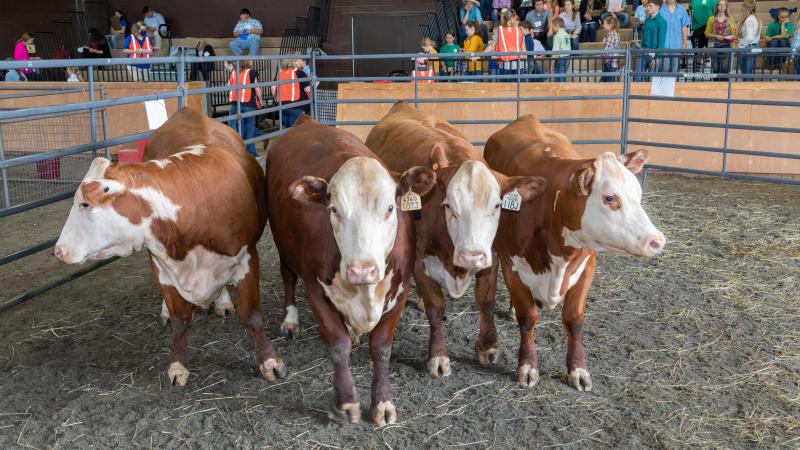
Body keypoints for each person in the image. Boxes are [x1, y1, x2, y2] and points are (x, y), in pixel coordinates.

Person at [227, 61, 261, 156]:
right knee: (249, 127)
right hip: (248, 102)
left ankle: (237, 150)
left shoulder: (233, 72)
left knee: (236, 126)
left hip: (235, 103)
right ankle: (251, 152)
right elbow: (257, 88)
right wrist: (260, 99)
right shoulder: (251, 72)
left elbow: (228, 86)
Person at [271, 59, 311, 129]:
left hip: (283, 106)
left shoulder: (280, 73)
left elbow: (273, 88)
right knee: (298, 129)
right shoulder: (300, 73)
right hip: (297, 106)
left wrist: (276, 99)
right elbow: (307, 89)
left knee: (287, 128)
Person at [705, 0, 736, 77]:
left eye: (723, 5)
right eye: (720, 5)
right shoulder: (711, 19)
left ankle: (724, 86)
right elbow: (706, 34)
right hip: (714, 46)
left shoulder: (730, 19)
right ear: (717, 7)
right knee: (715, 68)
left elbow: (734, 34)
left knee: (725, 68)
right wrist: (715, 36)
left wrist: (730, 37)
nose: (722, 6)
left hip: (726, 47)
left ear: (726, 7)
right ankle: (716, 86)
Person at [638, 0, 667, 81]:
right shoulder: (647, 20)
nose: (648, 8)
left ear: (657, 7)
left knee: (652, 78)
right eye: (648, 6)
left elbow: (661, 41)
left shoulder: (662, 22)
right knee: (638, 76)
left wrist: (656, 57)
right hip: (644, 51)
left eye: (650, 6)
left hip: (654, 53)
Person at [659, 0, 691, 75]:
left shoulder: (682, 10)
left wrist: (684, 43)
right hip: (663, 45)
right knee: (664, 69)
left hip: (676, 45)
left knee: (675, 70)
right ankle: (664, 86)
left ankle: (674, 86)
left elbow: (684, 27)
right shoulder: (660, 9)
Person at [496, 10, 524, 76]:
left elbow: (492, 45)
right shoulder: (519, 30)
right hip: (517, 61)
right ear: (511, 18)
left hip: (505, 63)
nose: (515, 20)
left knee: (506, 85)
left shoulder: (499, 30)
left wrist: (478, 56)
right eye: (514, 18)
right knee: (517, 85)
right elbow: (522, 47)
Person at [737, 0, 759, 80]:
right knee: (748, 74)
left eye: (743, 8)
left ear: (746, 9)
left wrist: (740, 45)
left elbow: (749, 38)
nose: (741, 9)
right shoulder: (755, 18)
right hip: (752, 47)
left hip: (747, 48)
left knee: (746, 75)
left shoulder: (749, 20)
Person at [602, 15, 621, 81]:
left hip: (609, 61)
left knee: (609, 81)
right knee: (608, 80)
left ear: (610, 25)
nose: (603, 25)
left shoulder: (611, 34)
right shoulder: (615, 33)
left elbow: (607, 49)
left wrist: (602, 54)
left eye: (604, 24)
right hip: (613, 62)